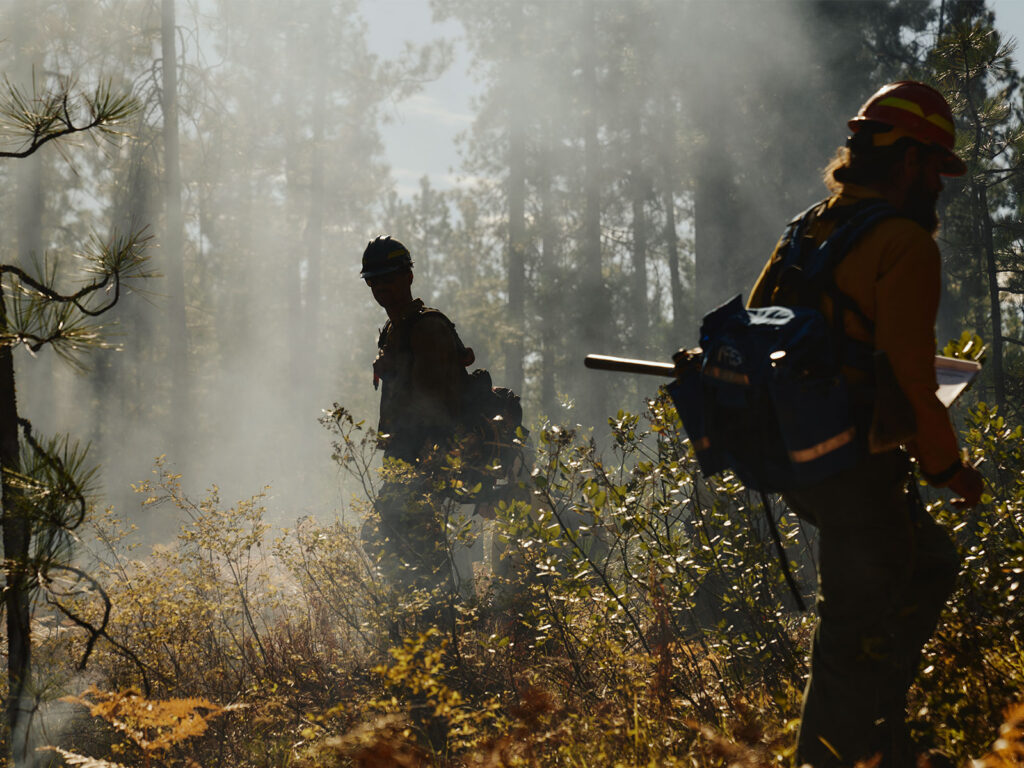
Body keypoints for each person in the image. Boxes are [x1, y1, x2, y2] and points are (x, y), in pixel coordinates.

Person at [747, 81, 984, 768]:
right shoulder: (905, 244)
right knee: (855, 635)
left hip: (805, 460)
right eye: (936, 167)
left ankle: (880, 743)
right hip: (858, 467)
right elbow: (911, 383)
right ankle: (833, 756)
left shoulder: (807, 230)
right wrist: (948, 470)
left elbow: (761, 329)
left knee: (928, 564)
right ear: (908, 161)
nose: (940, 184)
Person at [360, 235, 467, 602]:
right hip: (403, 458)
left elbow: (438, 406)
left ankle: (439, 620)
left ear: (408, 276)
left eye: (388, 277)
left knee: (412, 546)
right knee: (390, 539)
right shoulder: (394, 330)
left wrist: (426, 465)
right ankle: (415, 618)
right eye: (372, 281)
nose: (380, 288)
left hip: (427, 458)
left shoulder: (427, 328)